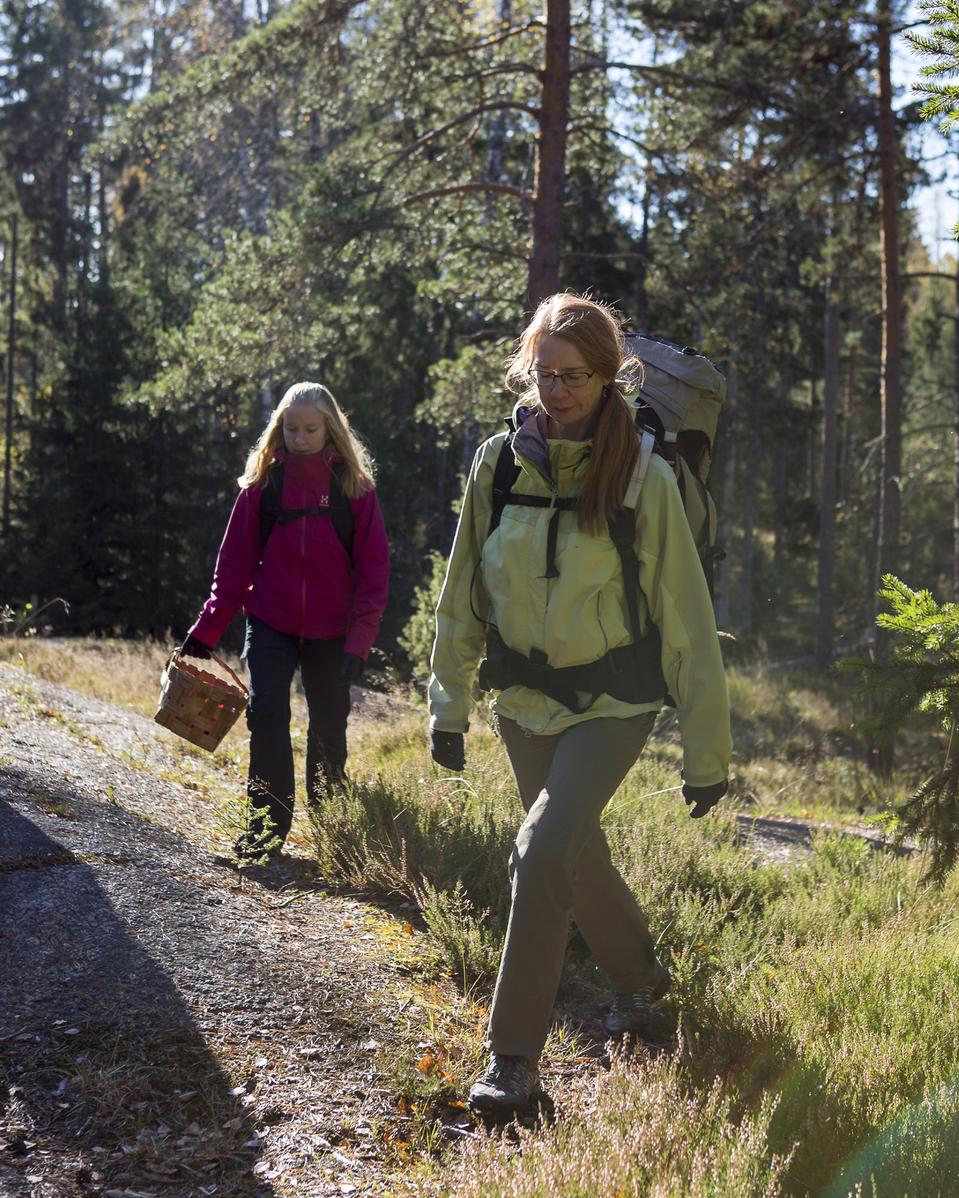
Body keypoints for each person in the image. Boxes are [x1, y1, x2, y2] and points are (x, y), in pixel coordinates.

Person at [427, 293, 730, 1117]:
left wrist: (707, 755)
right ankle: (641, 981)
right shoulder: (499, 464)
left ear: (609, 379)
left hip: (614, 700)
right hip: (522, 698)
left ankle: (513, 1062)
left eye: (574, 377)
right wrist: (446, 705)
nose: (555, 390)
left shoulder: (642, 476)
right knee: (571, 852)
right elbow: (462, 597)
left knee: (541, 844)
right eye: (543, 373)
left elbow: (687, 621)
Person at [182, 381, 389, 855]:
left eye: (310, 429)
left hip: (333, 631)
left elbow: (374, 575)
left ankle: (332, 827)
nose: (300, 437)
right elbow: (233, 565)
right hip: (271, 620)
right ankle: (265, 828)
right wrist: (207, 628)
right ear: (280, 428)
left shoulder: (353, 489)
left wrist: (359, 643)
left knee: (329, 723)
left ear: (330, 429)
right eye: (291, 429)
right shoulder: (263, 486)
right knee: (267, 715)